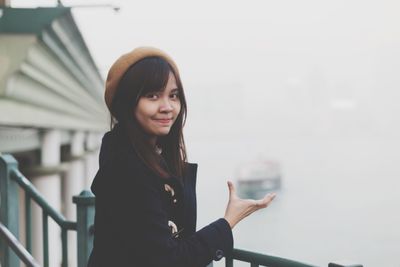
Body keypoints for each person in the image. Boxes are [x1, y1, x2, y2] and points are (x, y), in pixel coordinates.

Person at [88, 47, 276, 267]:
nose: (167, 107)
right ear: (128, 104)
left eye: (173, 96)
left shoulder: (139, 155)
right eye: (152, 96)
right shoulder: (127, 170)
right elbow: (169, 261)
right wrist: (228, 221)